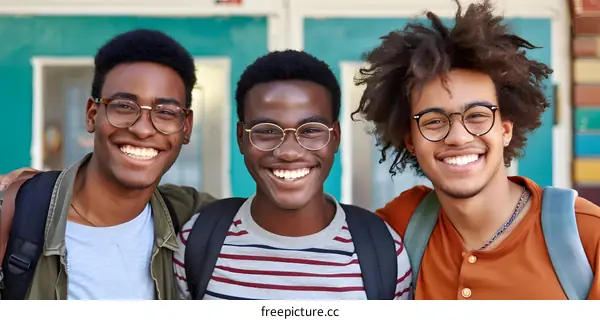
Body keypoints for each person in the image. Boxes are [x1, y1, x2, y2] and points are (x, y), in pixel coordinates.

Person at [352, 0, 600, 299]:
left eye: (477, 115)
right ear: (410, 141)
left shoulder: (586, 235)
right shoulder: (399, 226)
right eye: (433, 121)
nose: (458, 136)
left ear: (505, 129)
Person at [173, 50, 412, 300]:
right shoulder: (197, 242)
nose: (288, 152)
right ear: (241, 138)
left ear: (335, 137)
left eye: (310, 130)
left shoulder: (384, 253)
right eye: (267, 131)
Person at [0, 29, 215, 300]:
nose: (143, 130)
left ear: (186, 128)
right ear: (92, 115)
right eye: (124, 106)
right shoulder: (18, 208)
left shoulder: (195, 219)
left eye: (165, 112)